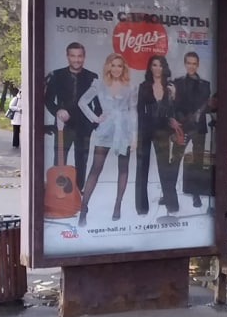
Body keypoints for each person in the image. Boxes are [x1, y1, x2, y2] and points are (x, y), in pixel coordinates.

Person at [76, 53, 135, 224]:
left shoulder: (130, 88)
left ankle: (117, 205)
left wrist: (134, 137)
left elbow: (133, 112)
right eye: (113, 65)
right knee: (96, 168)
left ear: (123, 68)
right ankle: (83, 208)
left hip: (124, 130)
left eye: (119, 66)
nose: (116, 69)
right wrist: (95, 118)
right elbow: (82, 102)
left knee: (123, 169)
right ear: (108, 66)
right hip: (106, 129)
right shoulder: (99, 84)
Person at [43, 43, 100, 191]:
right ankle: (59, 193)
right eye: (73, 56)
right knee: (59, 161)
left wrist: (94, 124)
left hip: (84, 127)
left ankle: (78, 192)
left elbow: (98, 103)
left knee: (81, 161)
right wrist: (58, 110)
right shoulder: (57, 75)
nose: (76, 60)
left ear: (84, 57)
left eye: (79, 56)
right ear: (67, 56)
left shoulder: (92, 77)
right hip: (63, 126)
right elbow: (48, 99)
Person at [134, 54, 181, 218]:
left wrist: (174, 97)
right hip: (145, 128)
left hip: (163, 129)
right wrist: (138, 135)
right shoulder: (144, 86)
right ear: (150, 67)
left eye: (160, 65)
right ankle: (141, 207)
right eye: (154, 65)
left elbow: (175, 110)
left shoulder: (170, 87)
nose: (157, 68)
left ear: (164, 67)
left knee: (165, 168)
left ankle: (172, 204)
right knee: (142, 168)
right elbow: (139, 111)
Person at [173, 51, 212, 208]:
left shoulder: (205, 85)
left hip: (198, 127)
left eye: (194, 63)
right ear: (185, 64)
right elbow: (175, 104)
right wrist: (181, 119)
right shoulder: (178, 83)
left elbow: (202, 103)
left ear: (198, 65)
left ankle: (196, 194)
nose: (191, 66)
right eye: (189, 63)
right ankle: (169, 193)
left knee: (197, 162)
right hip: (182, 126)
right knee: (175, 159)